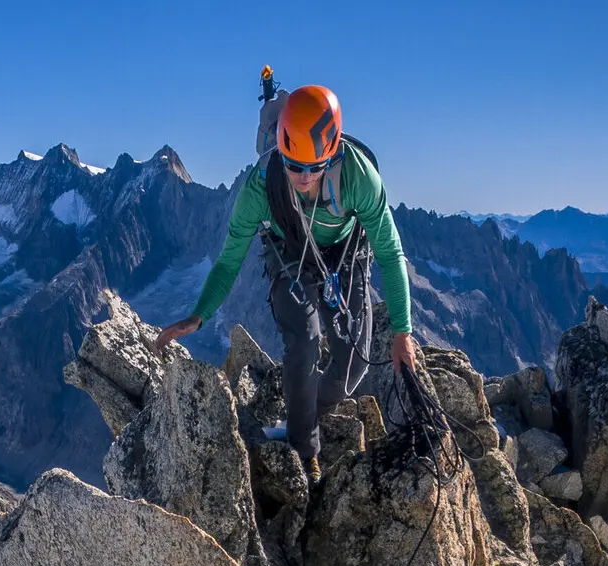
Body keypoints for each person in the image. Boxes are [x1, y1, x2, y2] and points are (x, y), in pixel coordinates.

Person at [153, 84, 416, 480]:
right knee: (304, 341)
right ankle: (302, 449)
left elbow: (392, 254)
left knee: (355, 364)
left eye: (315, 167)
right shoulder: (261, 187)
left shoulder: (359, 176)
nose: (304, 178)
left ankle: (302, 409)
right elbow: (229, 261)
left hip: (344, 256)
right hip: (290, 253)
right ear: (280, 150)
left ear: (334, 151)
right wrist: (199, 315)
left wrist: (402, 332)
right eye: (294, 166)